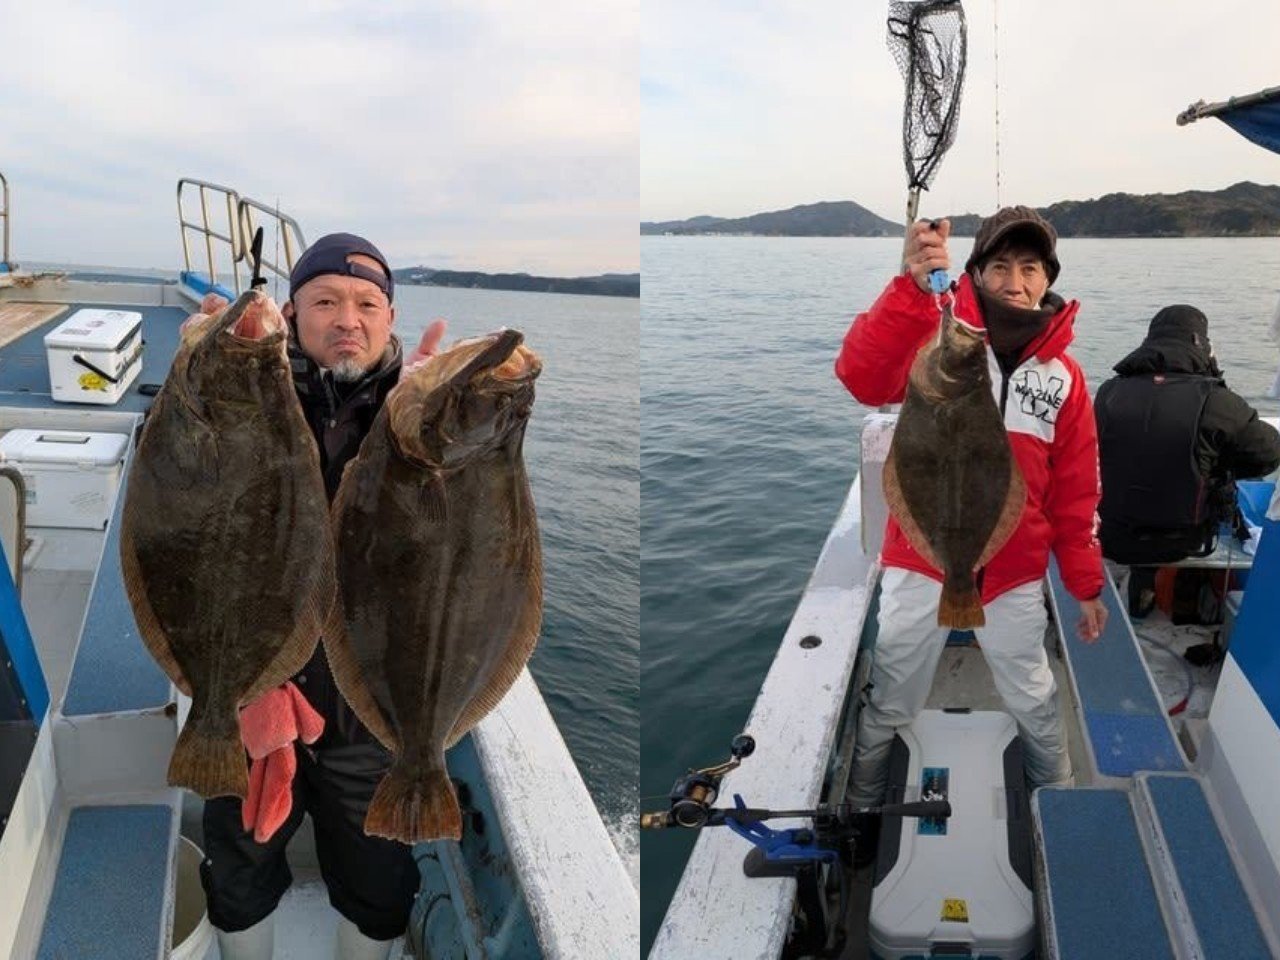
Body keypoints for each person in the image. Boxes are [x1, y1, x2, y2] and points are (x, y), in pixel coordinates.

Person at [195, 234, 444, 960]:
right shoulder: (242, 390)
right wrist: (202, 371)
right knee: (238, 862)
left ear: (391, 319)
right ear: (294, 313)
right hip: (248, 681)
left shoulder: (419, 410)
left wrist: (424, 437)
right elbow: (186, 524)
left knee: (379, 878)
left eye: (367, 304)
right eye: (326, 301)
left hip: (365, 699)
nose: (348, 319)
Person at [834, 207, 1107, 857]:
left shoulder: (1064, 379)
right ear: (976, 275)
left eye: (1030, 269)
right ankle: (863, 811)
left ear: (1048, 281)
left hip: (1013, 572)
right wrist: (910, 284)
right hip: (923, 561)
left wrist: (1086, 584)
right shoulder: (937, 335)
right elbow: (861, 376)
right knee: (891, 699)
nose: (1016, 282)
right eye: (1000, 267)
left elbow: (1075, 494)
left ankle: (1055, 812)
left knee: (1037, 700)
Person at [1094, 304, 1280, 567]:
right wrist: (1215, 467)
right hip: (1184, 541)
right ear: (1201, 343)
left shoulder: (1107, 393)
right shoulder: (1218, 401)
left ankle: (1144, 588)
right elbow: (1268, 455)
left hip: (1112, 537)